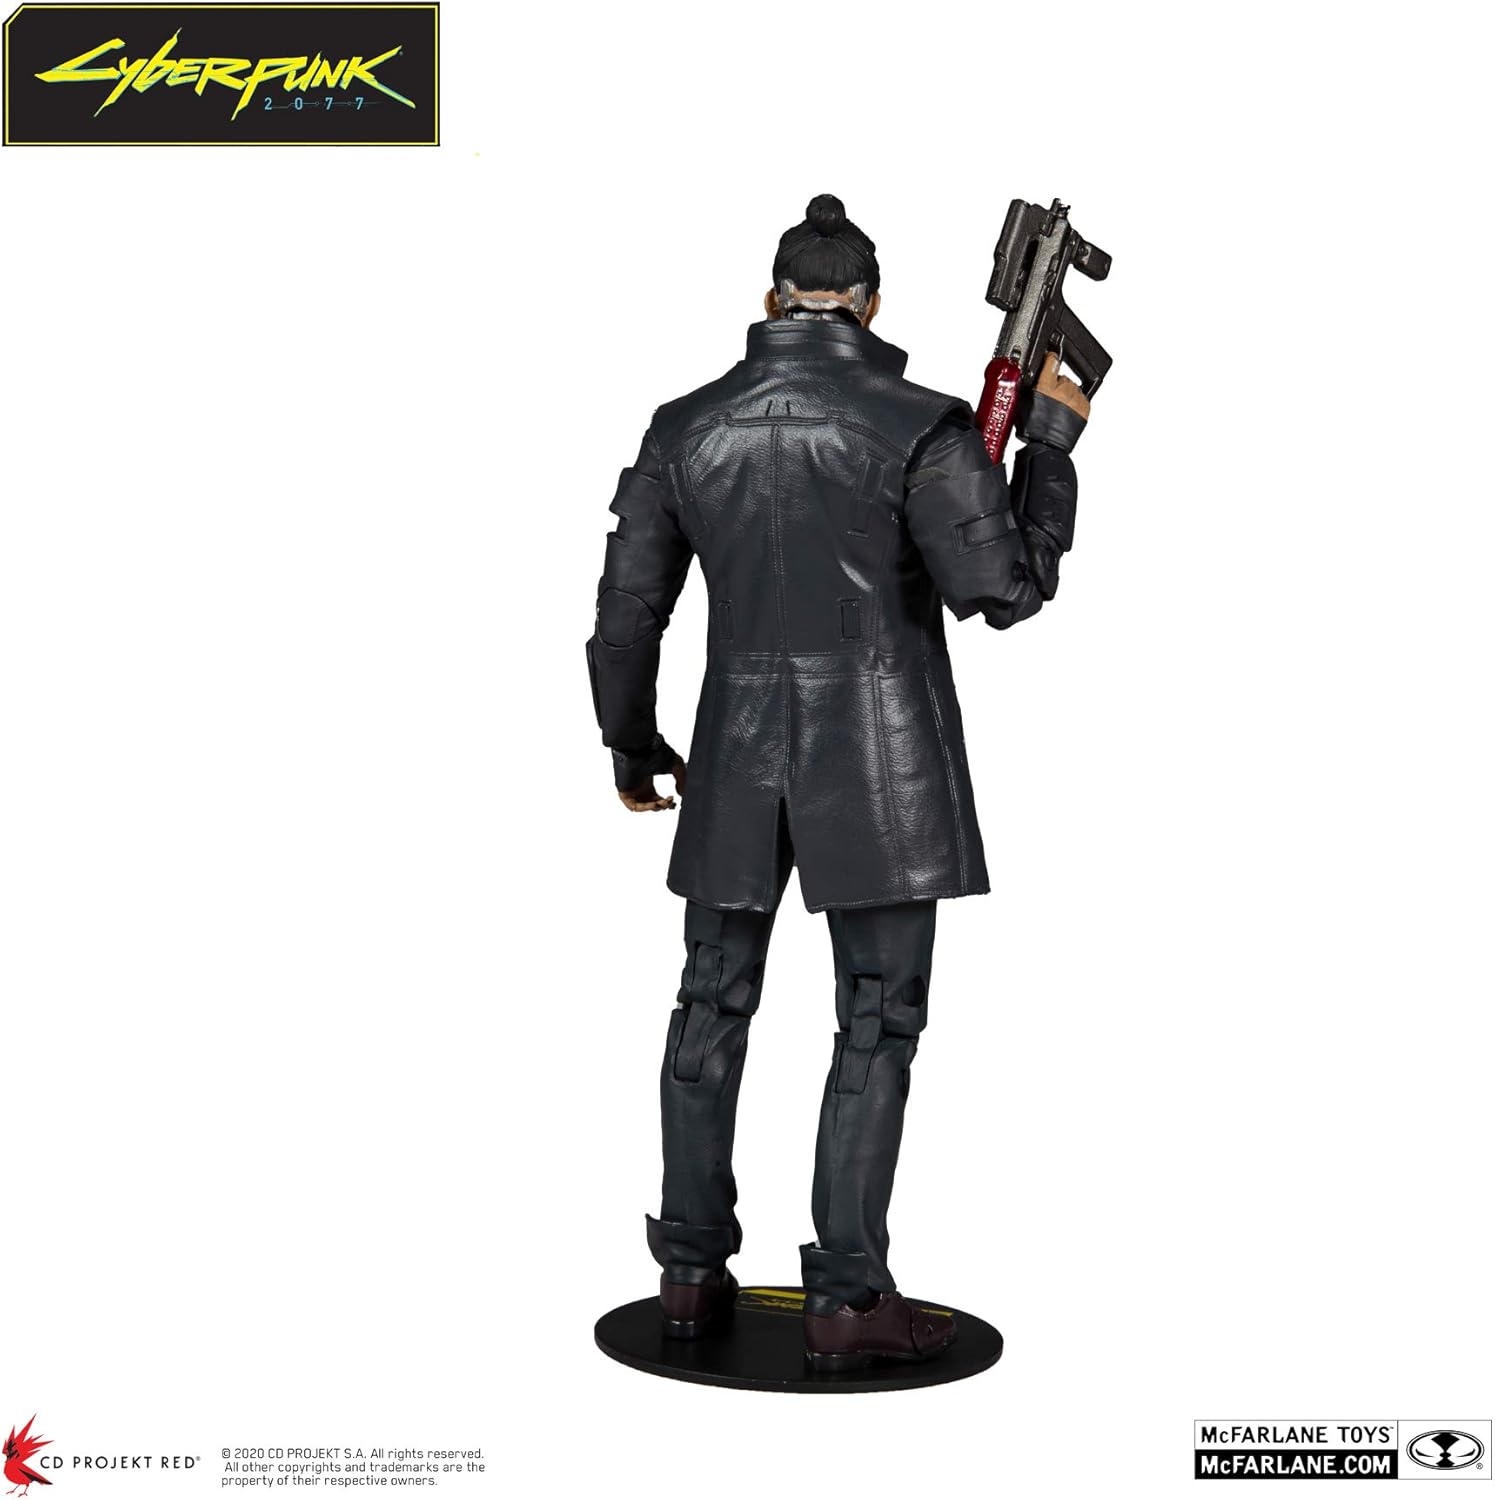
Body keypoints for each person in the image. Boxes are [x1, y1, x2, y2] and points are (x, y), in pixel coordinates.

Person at [586, 193, 1092, 1371]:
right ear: (870, 307)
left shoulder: (682, 427)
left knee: (708, 1005)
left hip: (732, 750)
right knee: (875, 1020)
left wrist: (628, 738)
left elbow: (626, 610)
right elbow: (1004, 592)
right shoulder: (921, 426)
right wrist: (1049, 451)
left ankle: (687, 1277)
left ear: (771, 302)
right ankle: (847, 1297)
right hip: (880, 762)